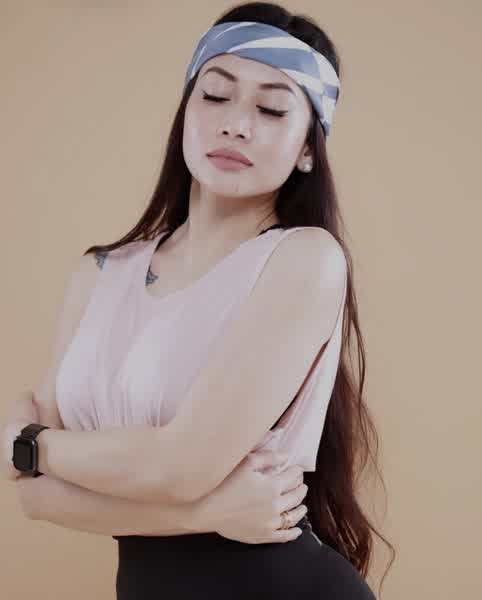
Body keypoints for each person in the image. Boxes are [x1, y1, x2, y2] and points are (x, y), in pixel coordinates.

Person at [4, 2, 395, 598]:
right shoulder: (99, 272)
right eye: (215, 95)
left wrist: (30, 444)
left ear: (308, 150)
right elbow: (37, 499)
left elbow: (182, 465)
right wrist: (206, 513)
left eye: (271, 109)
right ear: (185, 112)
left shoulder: (304, 259)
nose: (236, 124)